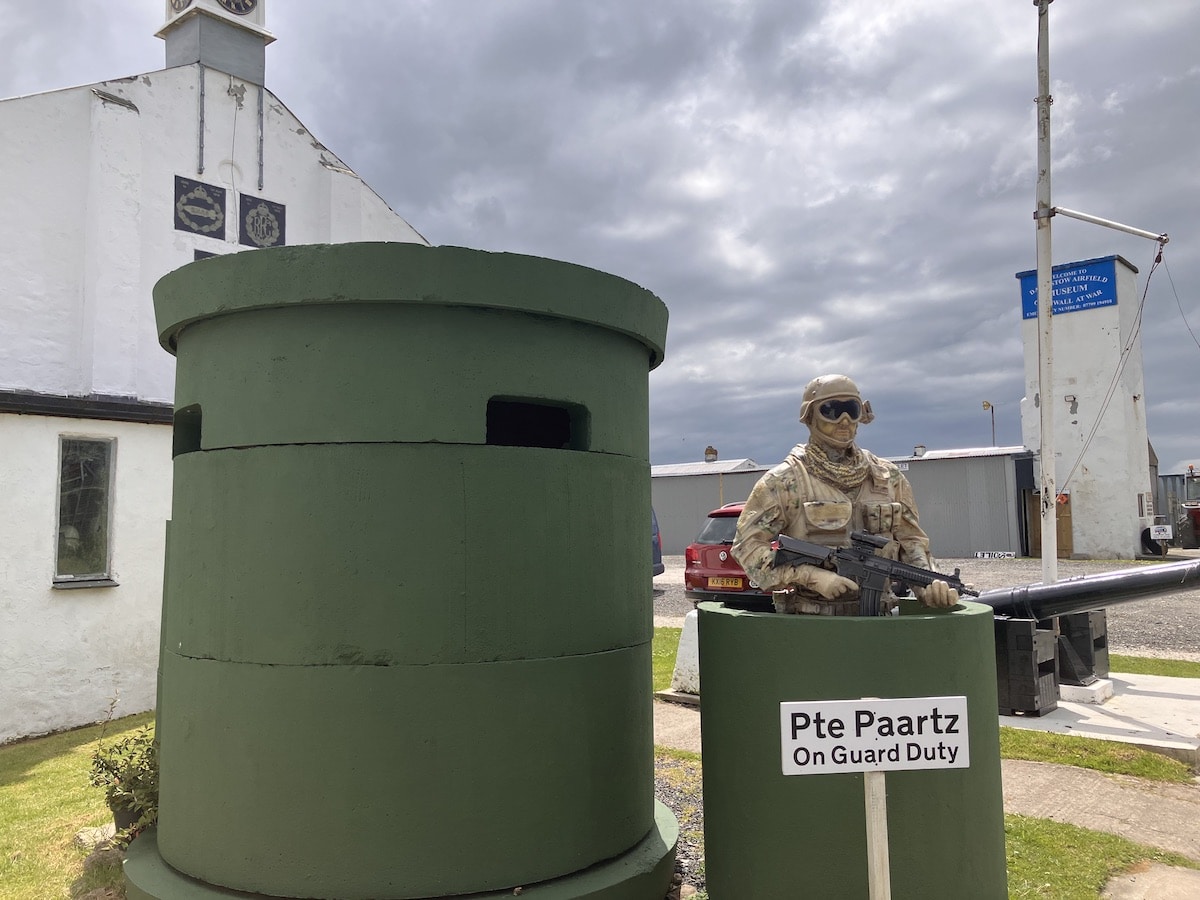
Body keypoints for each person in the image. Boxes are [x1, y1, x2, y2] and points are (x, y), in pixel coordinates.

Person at [731, 374, 959, 615]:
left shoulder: (888, 477)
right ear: (810, 417)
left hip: (878, 621)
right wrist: (811, 576)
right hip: (810, 623)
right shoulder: (784, 482)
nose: (845, 421)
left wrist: (928, 584)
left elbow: (911, 542)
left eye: (852, 409)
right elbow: (747, 548)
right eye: (831, 410)